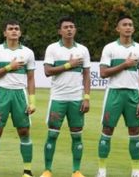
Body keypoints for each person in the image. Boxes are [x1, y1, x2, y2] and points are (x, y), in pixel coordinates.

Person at [96, 15, 139, 177]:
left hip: (133, 95)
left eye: (130, 25)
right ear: (118, 29)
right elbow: (103, 73)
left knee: (135, 131)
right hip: (114, 92)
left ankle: (136, 171)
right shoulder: (110, 48)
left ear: (133, 28)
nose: (128, 27)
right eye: (124, 25)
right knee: (107, 129)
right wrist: (124, 64)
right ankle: (102, 170)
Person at [0, 20, 37, 177]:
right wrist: (9, 67)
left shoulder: (28, 53)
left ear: (20, 33)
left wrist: (32, 101)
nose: (14, 31)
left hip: (20, 94)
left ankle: (27, 171)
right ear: (5, 33)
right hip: (2, 93)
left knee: (24, 131)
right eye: (10, 29)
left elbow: (31, 79)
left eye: (16, 29)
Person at [40, 16, 92, 177]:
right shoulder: (52, 49)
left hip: (76, 99)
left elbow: (87, 75)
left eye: (72, 26)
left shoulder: (83, 50)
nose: (69, 29)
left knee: (77, 135)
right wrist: (69, 65)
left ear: (75, 30)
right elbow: (48, 71)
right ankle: (47, 170)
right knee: (52, 134)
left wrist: (87, 97)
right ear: (60, 31)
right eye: (66, 27)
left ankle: (76, 171)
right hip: (58, 98)